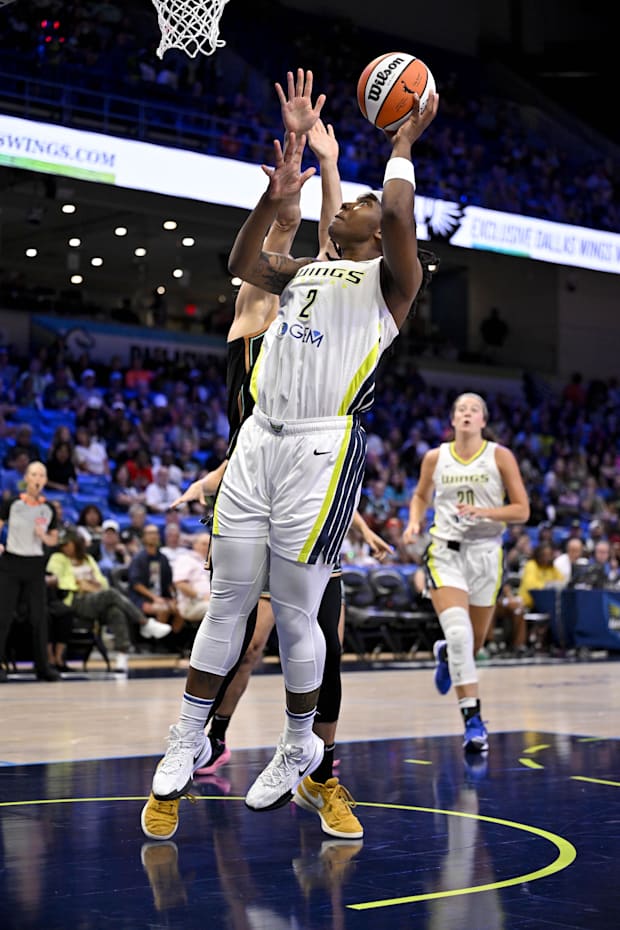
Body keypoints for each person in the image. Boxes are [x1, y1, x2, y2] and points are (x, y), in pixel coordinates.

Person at [141, 69, 439, 834]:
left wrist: (401, 145)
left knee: (304, 617)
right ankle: (187, 736)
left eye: (365, 208)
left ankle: (302, 744)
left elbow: (398, 213)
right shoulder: (310, 269)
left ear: (378, 238)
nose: (359, 207)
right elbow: (245, 264)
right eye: (356, 203)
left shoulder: (388, 284)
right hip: (258, 444)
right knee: (229, 605)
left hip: (321, 448)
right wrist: (275, 198)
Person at [403, 392, 530, 754]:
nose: (467, 413)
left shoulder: (499, 456)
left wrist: (485, 514)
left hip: (487, 556)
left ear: (483, 421)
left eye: (474, 409)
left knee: (471, 645)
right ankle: (473, 720)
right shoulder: (435, 457)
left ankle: (446, 655)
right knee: (460, 635)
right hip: (445, 552)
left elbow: (522, 511)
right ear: (453, 419)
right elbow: (420, 496)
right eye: (460, 408)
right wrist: (414, 522)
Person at [46, 525, 171, 673]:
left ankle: (121, 658)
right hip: (74, 600)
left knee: (115, 611)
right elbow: (56, 580)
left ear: (76, 543)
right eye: (63, 545)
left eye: (68, 543)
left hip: (95, 599)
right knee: (111, 594)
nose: (65, 547)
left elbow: (102, 583)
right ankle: (145, 622)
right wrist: (79, 583)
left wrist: (94, 583)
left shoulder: (88, 559)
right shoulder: (58, 558)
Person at [0, 461, 60, 681]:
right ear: (26, 478)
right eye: (33, 474)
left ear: (45, 480)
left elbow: (53, 539)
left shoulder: (49, 508)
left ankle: (43, 668)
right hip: (11, 563)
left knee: (39, 617)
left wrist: (43, 536)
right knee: (3, 616)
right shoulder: (12, 503)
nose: (37, 479)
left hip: (35, 564)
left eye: (41, 475)